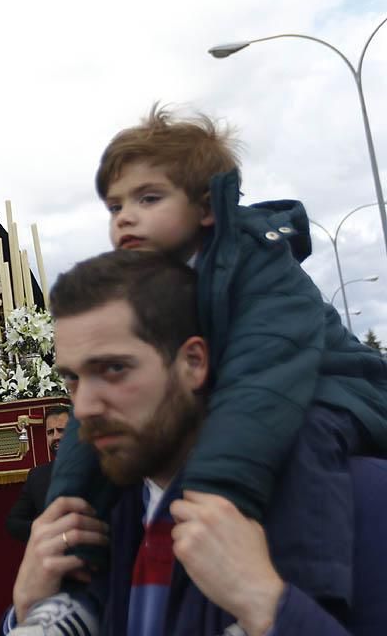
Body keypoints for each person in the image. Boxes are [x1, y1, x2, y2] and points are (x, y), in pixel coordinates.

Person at [40, 106, 387, 633]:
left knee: (305, 439)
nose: (125, 217)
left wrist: (213, 491)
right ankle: (73, 608)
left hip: (332, 387)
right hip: (254, 397)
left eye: (148, 198)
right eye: (115, 206)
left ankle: (295, 588)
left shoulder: (259, 260)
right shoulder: (161, 284)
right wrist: (65, 509)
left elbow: (262, 378)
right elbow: (86, 427)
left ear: (206, 208)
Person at [1, 250, 387, 636]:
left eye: (114, 369)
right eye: (73, 379)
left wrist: (268, 606)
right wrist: (26, 611)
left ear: (194, 362)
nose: (83, 407)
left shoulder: (365, 498)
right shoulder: (96, 524)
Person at [5, 408, 69, 542]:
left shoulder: (99, 468)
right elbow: (14, 522)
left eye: (61, 430)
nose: (56, 436)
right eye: (50, 432)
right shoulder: (37, 476)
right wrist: (44, 529)